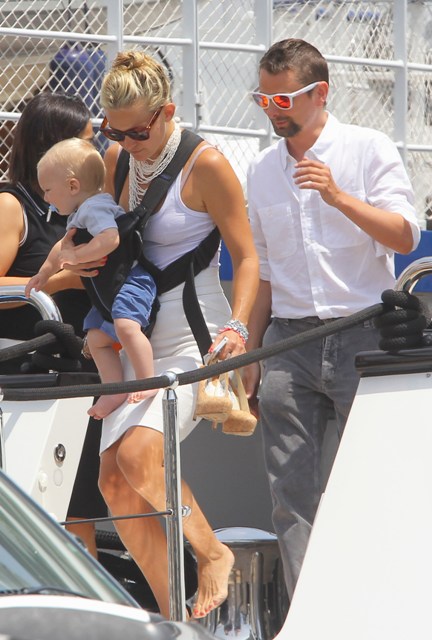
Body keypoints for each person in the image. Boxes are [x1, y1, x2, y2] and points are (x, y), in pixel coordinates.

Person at [61, 50, 259, 619]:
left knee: (141, 453)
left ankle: (212, 551)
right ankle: (174, 615)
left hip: (195, 333)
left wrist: (239, 327)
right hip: (137, 334)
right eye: (113, 131)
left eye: (138, 132)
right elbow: (113, 240)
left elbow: (247, 258)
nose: (127, 142)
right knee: (113, 482)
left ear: (167, 112)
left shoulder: (208, 165)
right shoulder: (119, 158)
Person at [243, 38, 421, 602]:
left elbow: (406, 236)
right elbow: (263, 274)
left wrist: (338, 196)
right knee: (289, 498)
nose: (272, 110)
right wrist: (250, 354)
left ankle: (379, 610)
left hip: (363, 336)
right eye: (263, 100)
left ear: (319, 93)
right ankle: (310, 617)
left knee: (369, 489)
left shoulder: (367, 148)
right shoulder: (261, 171)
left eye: (283, 99)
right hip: (287, 344)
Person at [0, 92, 107, 557]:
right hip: (30, 378)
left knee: (80, 505)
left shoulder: (88, 209)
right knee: (39, 507)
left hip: (81, 372)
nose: (95, 150)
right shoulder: (11, 205)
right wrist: (63, 279)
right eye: (86, 140)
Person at [25, 137, 158, 419]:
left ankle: (148, 380)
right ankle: (114, 390)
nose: (46, 198)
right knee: (97, 339)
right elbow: (61, 247)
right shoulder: (80, 213)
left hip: (131, 282)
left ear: (73, 186)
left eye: (48, 190)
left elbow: (110, 239)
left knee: (126, 327)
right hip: (111, 290)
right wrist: (44, 272)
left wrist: (76, 256)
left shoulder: (94, 208)